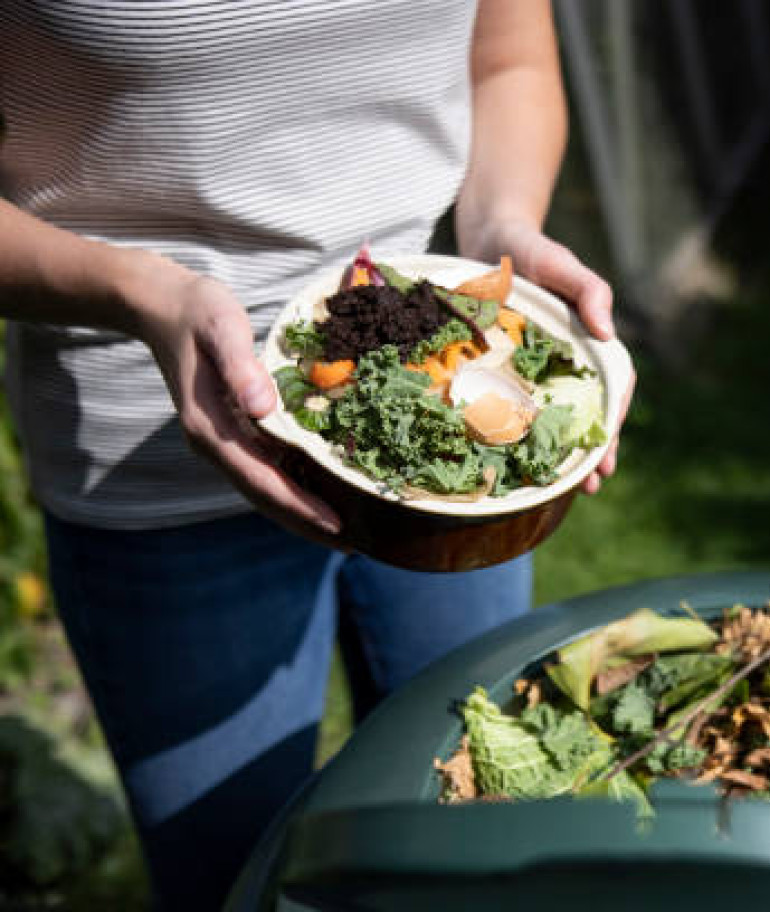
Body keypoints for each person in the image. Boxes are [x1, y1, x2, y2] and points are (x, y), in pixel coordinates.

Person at [0, 1, 629, 908]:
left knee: (474, 842)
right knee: (241, 881)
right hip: (158, 472)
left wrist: (502, 229)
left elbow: (507, 62)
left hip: (441, 432)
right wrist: (142, 293)